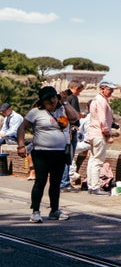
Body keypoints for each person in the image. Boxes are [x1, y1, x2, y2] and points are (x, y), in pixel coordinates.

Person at [16, 86, 78, 222]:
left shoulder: (62, 109)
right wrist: (21, 145)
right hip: (41, 153)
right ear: (42, 102)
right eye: (49, 101)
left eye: (54, 98)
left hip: (60, 153)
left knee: (56, 183)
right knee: (40, 182)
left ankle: (54, 210)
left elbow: (74, 118)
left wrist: (65, 102)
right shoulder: (35, 112)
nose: (52, 102)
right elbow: (21, 127)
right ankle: (35, 211)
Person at [86, 80, 120, 194]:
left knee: (92, 160)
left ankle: (91, 186)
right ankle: (95, 187)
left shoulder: (95, 100)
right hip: (99, 135)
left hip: (93, 133)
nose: (111, 92)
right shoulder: (101, 101)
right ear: (102, 89)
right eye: (110, 89)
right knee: (98, 162)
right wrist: (107, 134)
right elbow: (103, 120)